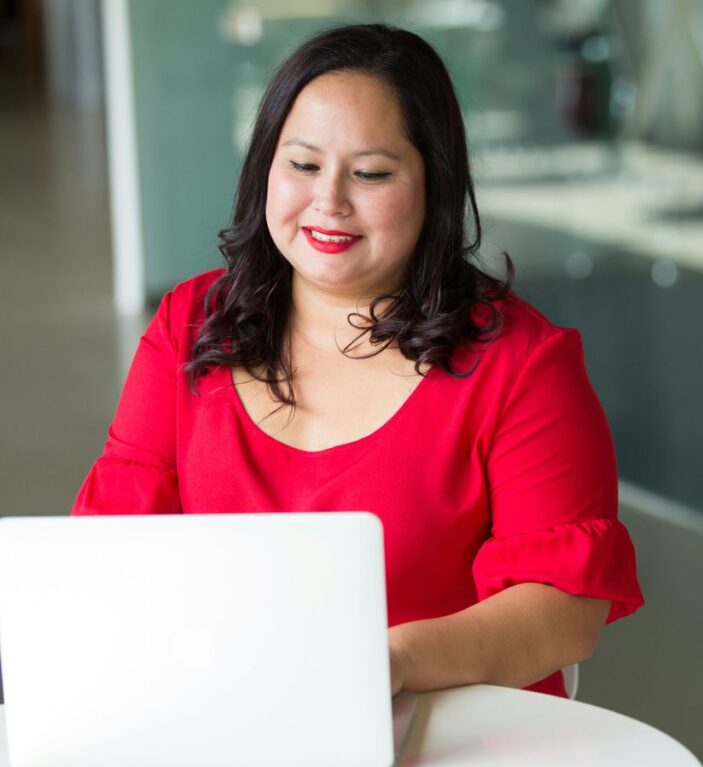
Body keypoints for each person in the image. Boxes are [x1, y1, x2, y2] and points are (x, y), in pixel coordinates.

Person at [73, 23, 643, 698]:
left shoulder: (523, 366)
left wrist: (389, 664)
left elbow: (564, 611)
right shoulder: (188, 325)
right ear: (264, 169)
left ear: (435, 183)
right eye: (304, 164)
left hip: (444, 722)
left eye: (371, 173)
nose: (329, 201)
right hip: (227, 714)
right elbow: (108, 553)